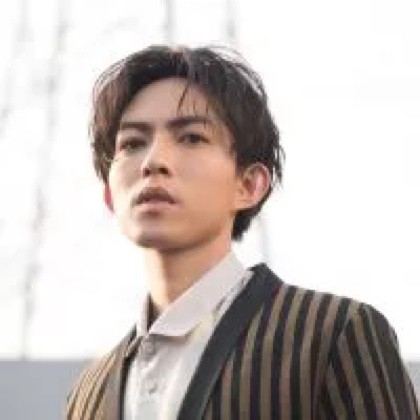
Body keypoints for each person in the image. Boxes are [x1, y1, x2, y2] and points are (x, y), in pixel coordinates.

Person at [66, 45, 419, 420]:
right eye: (132, 144)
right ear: (110, 195)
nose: (153, 162)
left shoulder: (331, 333)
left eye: (191, 138)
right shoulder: (89, 392)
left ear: (249, 184)